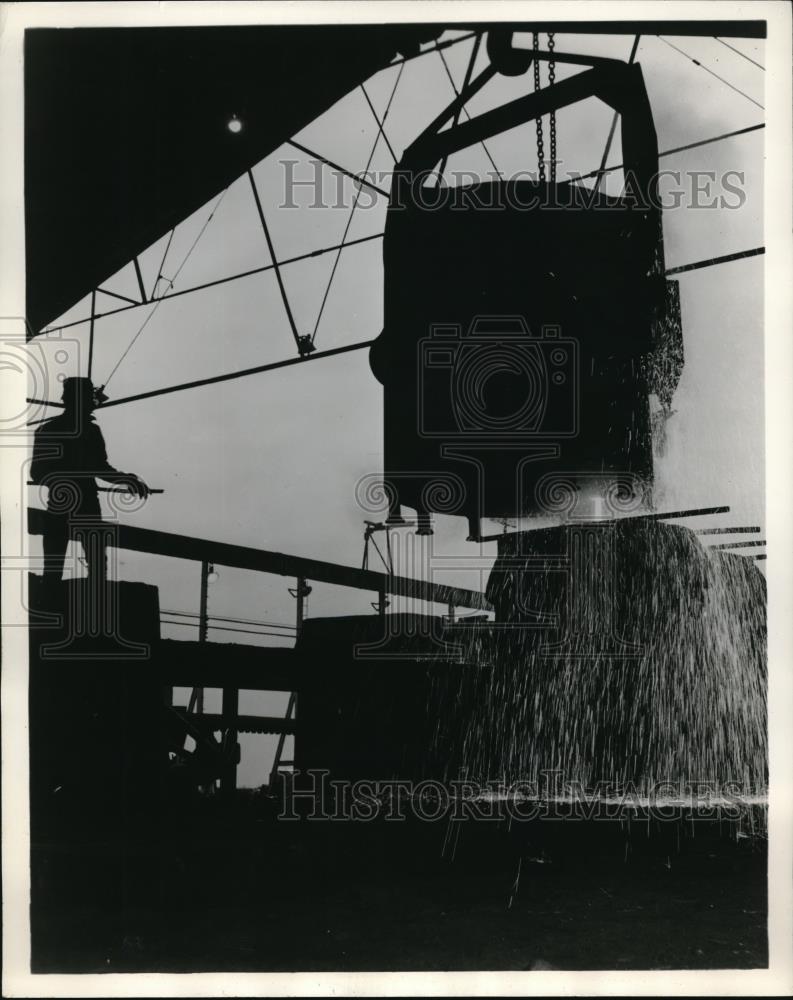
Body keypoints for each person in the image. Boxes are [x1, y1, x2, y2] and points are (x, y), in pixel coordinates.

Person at [31, 377, 151, 581]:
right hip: (80, 504)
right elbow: (40, 472)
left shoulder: (50, 430)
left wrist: (126, 479)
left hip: (65, 503)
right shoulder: (86, 431)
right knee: (91, 570)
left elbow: (39, 472)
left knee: (63, 568)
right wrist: (126, 479)